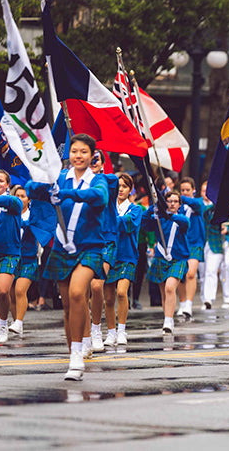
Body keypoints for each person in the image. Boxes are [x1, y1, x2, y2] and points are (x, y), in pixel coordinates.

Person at [26, 134, 108, 381]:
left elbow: (100, 198)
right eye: (74, 151)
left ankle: (78, 356)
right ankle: (73, 352)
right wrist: (42, 186)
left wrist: (70, 194)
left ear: (92, 155)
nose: (78, 156)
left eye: (83, 152)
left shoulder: (100, 180)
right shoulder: (59, 178)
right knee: (68, 304)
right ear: (68, 154)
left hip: (89, 247)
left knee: (76, 292)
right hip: (62, 248)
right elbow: (31, 189)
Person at [143, 190, 189, 334]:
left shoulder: (180, 218)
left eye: (176, 201)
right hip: (161, 257)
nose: (172, 204)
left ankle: (169, 320)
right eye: (169, 201)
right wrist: (154, 206)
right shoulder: (159, 218)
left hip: (177, 258)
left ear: (180, 205)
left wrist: (168, 214)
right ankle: (167, 318)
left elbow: (184, 223)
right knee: (164, 292)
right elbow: (145, 222)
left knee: (170, 287)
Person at [103, 173, 142, 346]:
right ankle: (110, 332)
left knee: (121, 292)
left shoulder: (136, 209)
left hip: (127, 255)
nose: (120, 189)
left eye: (125, 186)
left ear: (130, 189)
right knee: (108, 298)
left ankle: (121, 330)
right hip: (108, 256)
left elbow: (126, 223)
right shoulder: (108, 207)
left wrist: (108, 220)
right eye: (118, 186)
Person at [87, 150, 118, 355]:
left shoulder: (109, 181)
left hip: (106, 239)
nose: (92, 162)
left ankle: (97, 329)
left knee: (97, 286)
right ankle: (85, 331)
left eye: (95, 159)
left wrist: (94, 173)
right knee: (79, 291)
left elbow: (111, 181)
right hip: (84, 239)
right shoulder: (76, 182)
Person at [0, 170, 23, 346]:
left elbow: (7, 201)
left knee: (2, 290)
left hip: (8, 253)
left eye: (1, 180)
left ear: (8, 184)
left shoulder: (13, 201)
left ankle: (3, 324)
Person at [8, 186, 47, 338]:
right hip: (11, 257)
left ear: (29, 199)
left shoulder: (33, 215)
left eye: (23, 196)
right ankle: (15, 321)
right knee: (10, 293)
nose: (20, 198)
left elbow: (39, 229)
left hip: (29, 258)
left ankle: (19, 321)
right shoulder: (9, 214)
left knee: (19, 290)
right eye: (17, 196)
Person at [177, 177, 205, 317]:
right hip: (181, 243)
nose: (185, 192)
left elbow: (196, 204)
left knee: (191, 273)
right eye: (182, 190)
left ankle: (189, 303)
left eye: (188, 190)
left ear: (193, 190)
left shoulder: (198, 202)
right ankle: (182, 303)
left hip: (195, 243)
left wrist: (180, 197)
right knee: (181, 275)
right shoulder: (178, 206)